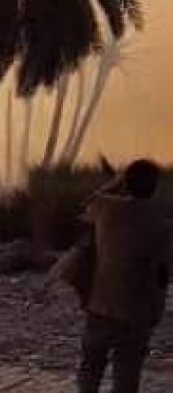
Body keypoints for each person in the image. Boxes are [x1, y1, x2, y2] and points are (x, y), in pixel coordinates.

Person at [76, 159, 170, 393]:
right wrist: (156, 310)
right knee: (127, 374)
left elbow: (86, 204)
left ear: (126, 183)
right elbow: (163, 272)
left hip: (101, 306)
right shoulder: (161, 224)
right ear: (155, 186)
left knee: (91, 367)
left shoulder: (107, 208)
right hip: (137, 312)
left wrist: (115, 182)